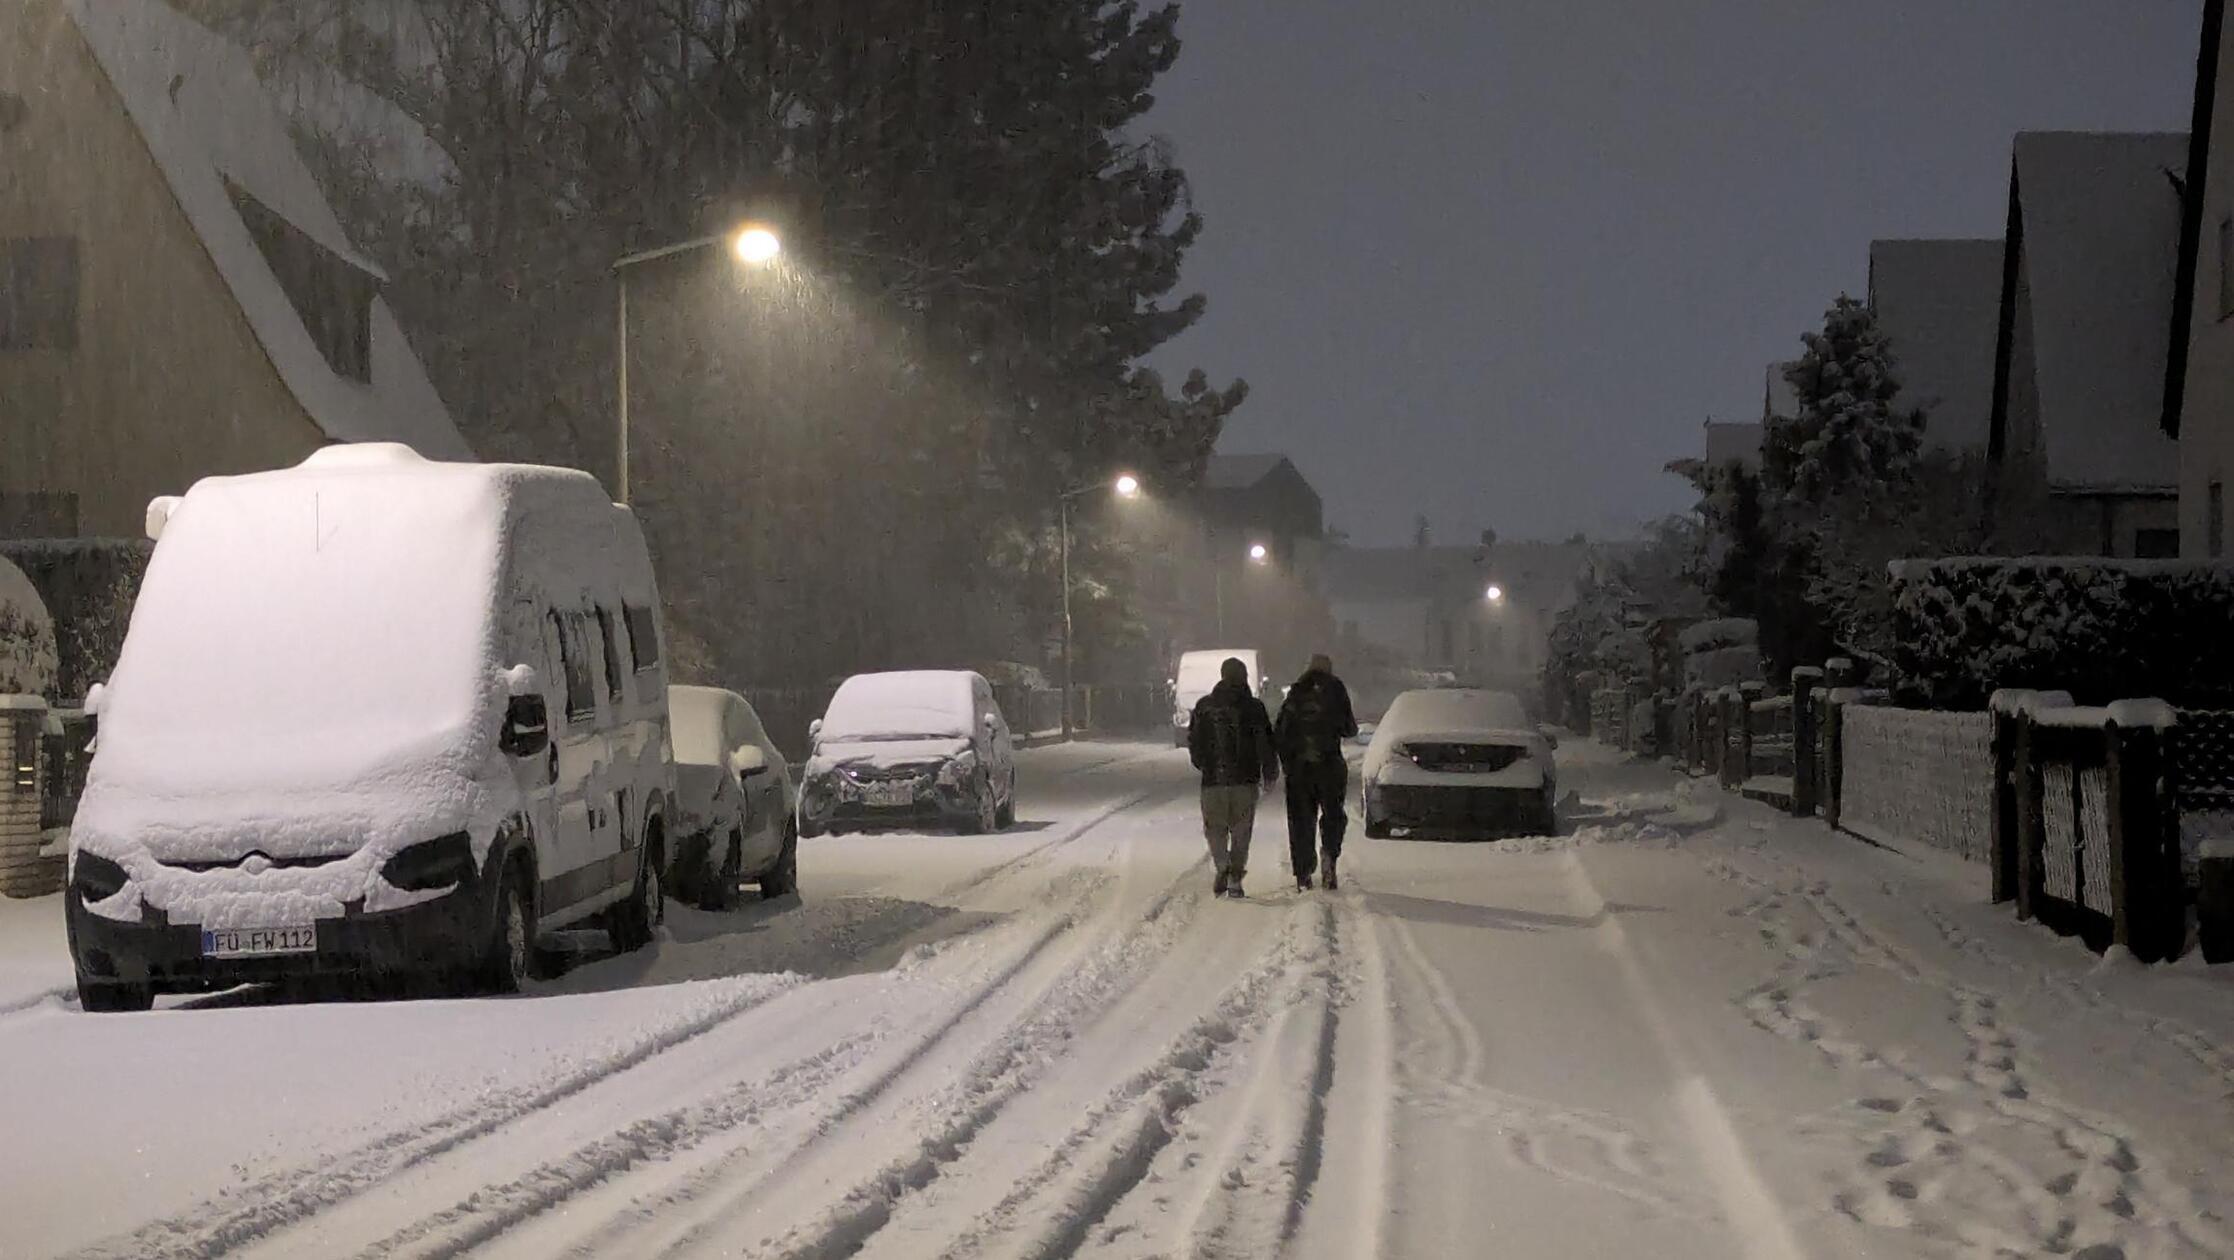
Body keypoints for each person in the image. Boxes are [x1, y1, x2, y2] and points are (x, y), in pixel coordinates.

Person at [1187, 656, 1279, 899]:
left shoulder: (1204, 706)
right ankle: (1235, 877)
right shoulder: (1254, 708)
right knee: (1241, 830)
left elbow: (1194, 741)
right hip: (1245, 780)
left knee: (1215, 828)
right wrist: (1269, 771)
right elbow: (1265, 742)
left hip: (1213, 781)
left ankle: (1222, 864)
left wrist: (1204, 765)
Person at [1275, 653, 1358, 891]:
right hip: (1330, 765)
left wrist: (1286, 761)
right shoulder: (1336, 689)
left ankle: (1303, 872)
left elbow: (1281, 730)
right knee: (1333, 815)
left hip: (1300, 770)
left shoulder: (1296, 691)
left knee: (1301, 820)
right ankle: (1329, 855)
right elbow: (1349, 728)